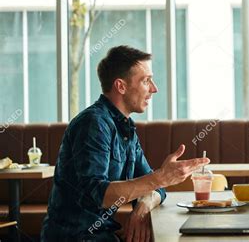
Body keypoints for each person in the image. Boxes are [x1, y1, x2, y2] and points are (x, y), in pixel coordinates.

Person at [41, 46, 209, 242]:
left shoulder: (125, 128)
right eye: (146, 80)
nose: (154, 88)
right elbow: (99, 194)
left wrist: (143, 206)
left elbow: (156, 188)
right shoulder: (93, 124)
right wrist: (160, 178)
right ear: (121, 86)